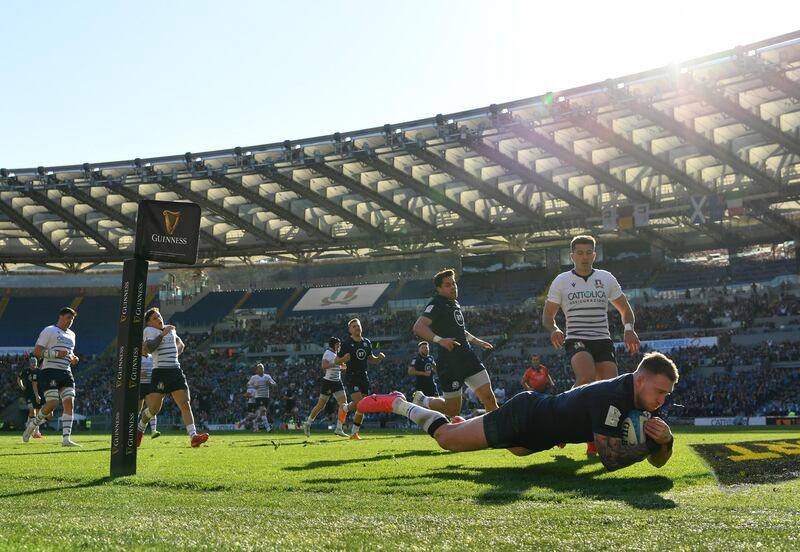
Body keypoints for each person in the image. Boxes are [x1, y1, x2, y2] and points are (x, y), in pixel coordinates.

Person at [358, 352, 678, 472]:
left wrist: (666, 442)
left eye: (667, 394)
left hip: (541, 432)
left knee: (518, 451)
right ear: (640, 379)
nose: (662, 400)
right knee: (447, 440)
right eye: (659, 391)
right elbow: (611, 460)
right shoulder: (615, 397)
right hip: (526, 416)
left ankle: (467, 424)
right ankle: (400, 403)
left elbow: (657, 463)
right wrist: (653, 444)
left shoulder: (639, 401)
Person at [542, 235, 640, 455]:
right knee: (586, 378)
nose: (584, 257)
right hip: (576, 337)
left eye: (589, 253)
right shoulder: (562, 280)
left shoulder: (606, 278)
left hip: (603, 340)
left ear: (594, 255)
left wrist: (628, 329)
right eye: (580, 253)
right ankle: (558, 421)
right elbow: (548, 316)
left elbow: (625, 310)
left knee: (609, 389)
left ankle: (593, 438)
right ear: (572, 256)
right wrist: (554, 329)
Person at [410, 268, 498, 417]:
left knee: (489, 398)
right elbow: (418, 327)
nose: (453, 287)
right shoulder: (436, 304)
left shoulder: (454, 303)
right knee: (452, 410)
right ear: (439, 288)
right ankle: (423, 400)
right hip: (450, 362)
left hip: (468, 357)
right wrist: (440, 340)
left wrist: (476, 341)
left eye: (454, 283)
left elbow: (459, 330)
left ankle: (495, 436)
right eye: (448, 285)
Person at [136, 307, 209, 448]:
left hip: (175, 370)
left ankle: (193, 437)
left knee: (184, 403)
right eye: (154, 318)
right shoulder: (149, 331)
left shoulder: (171, 329)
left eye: (159, 316)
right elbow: (150, 348)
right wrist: (163, 334)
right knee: (154, 409)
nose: (158, 319)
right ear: (149, 323)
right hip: (160, 372)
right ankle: (140, 428)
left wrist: (174, 354)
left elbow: (181, 343)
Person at [23, 307, 81, 446]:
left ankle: (66, 439)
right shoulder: (49, 330)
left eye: (72, 319)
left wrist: (74, 358)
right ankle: (32, 425)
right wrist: (55, 354)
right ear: (60, 317)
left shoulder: (72, 334)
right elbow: (36, 352)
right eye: (68, 318)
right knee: (52, 404)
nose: (70, 322)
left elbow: (70, 353)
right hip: (50, 371)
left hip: (66, 372)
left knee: (69, 403)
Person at [337, 318, 385, 440]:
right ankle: (346, 410)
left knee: (363, 406)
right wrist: (343, 359)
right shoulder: (346, 343)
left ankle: (354, 432)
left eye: (358, 325)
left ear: (361, 327)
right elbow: (336, 360)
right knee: (360, 403)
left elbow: (370, 358)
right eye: (353, 326)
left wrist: (378, 358)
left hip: (363, 376)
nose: (356, 327)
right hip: (351, 375)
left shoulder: (367, 342)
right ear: (350, 330)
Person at [304, 337, 350, 438]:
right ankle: (308, 424)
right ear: (334, 345)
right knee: (321, 405)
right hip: (328, 382)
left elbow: (340, 365)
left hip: (337, 382)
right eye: (338, 344)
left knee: (344, 404)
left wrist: (345, 365)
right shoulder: (328, 353)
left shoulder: (336, 354)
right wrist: (337, 363)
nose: (340, 346)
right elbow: (324, 365)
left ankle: (339, 428)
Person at [17, 355, 44, 439]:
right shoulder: (25, 371)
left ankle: (36, 430)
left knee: (39, 413)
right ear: (30, 364)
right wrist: (21, 386)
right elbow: (19, 378)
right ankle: (30, 427)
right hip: (28, 394)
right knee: (32, 411)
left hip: (38, 394)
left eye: (35, 363)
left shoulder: (39, 371)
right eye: (32, 363)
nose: (34, 364)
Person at [247, 363, 277, 432]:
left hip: (266, 397)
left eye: (262, 368)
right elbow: (248, 384)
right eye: (260, 368)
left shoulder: (267, 376)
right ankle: (268, 428)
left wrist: (270, 383)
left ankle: (255, 421)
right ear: (257, 370)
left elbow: (275, 384)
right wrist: (254, 386)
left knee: (263, 412)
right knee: (263, 410)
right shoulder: (254, 377)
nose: (261, 369)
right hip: (258, 397)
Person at [137, 354, 160, 439]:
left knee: (152, 408)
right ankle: (134, 431)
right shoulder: (137, 357)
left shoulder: (152, 357)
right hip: (139, 385)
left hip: (149, 385)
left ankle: (154, 431)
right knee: (138, 410)